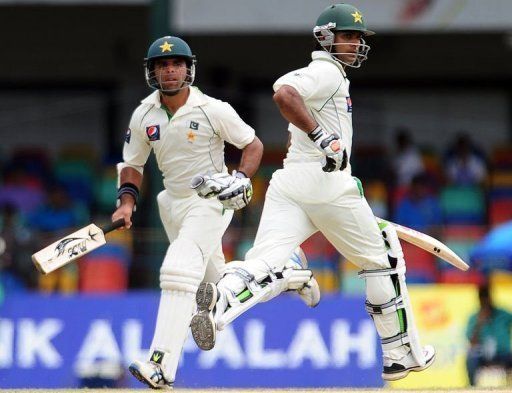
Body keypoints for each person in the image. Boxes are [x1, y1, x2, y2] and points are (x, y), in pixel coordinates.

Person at [190, 3, 435, 381]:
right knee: (382, 260)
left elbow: (291, 100)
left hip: (290, 182)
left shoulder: (331, 77)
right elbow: (283, 93)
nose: (355, 44)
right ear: (326, 38)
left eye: (358, 38)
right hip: (327, 182)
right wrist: (323, 138)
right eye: (348, 36)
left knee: (266, 261)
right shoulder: (327, 72)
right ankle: (399, 354)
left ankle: (220, 301)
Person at [111, 36, 317, 389]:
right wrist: (126, 202)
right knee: (215, 285)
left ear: (189, 68)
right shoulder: (143, 114)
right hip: (171, 204)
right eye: (162, 65)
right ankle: (288, 272)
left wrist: (239, 177)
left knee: (177, 272)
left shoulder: (212, 108)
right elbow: (133, 164)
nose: (170, 70)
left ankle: (160, 366)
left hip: (210, 200)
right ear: (152, 72)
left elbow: (252, 144)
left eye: (176, 64)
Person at [466, 283, 512, 386]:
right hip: (483, 354)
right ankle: (472, 387)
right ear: (479, 300)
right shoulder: (474, 318)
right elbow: (471, 342)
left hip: (503, 353)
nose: (485, 301)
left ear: (491, 297)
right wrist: (479, 324)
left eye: (487, 297)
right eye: (482, 298)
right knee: (471, 359)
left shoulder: (503, 314)